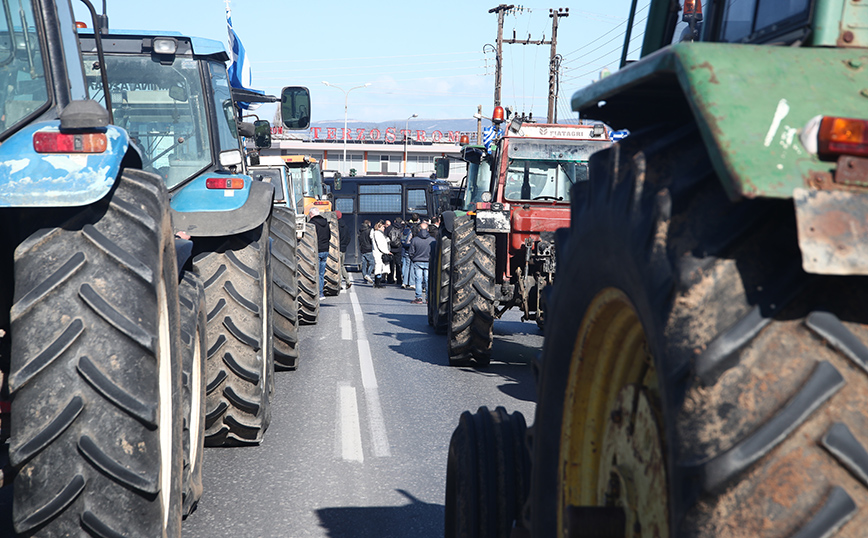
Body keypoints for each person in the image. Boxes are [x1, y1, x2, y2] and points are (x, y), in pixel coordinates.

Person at [408, 220, 435, 304]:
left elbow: (411, 252)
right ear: (428, 230)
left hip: (417, 261)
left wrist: (414, 259)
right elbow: (434, 252)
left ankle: (418, 298)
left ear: (419, 229)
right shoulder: (432, 240)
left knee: (418, 280)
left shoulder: (414, 240)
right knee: (427, 280)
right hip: (428, 262)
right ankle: (428, 298)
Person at [308, 207, 330, 299]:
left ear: (311, 214)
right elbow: (329, 236)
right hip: (325, 250)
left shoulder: (311, 224)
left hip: (316, 251)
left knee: (314, 273)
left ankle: (315, 292)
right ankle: (321, 293)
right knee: (321, 273)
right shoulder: (326, 223)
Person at [401, 213, 420, 290]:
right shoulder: (417, 227)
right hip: (413, 248)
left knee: (406, 265)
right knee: (412, 266)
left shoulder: (407, 226)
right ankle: (411, 283)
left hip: (406, 248)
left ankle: (404, 282)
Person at [371, 220, 391, 288]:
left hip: (379, 253)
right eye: (383, 227)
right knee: (378, 268)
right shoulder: (378, 234)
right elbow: (380, 245)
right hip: (379, 253)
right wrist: (387, 251)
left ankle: (377, 282)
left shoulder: (378, 233)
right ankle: (377, 283)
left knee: (379, 267)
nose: (384, 228)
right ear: (379, 227)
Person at [385, 217, 403, 284]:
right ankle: (399, 279)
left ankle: (390, 279)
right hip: (399, 248)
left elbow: (385, 237)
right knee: (398, 264)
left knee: (390, 265)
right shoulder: (402, 228)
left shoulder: (389, 228)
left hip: (390, 249)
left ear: (395, 221)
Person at [336, 210, 351, 289]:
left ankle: (339, 283)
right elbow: (348, 238)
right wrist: (344, 245)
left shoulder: (335, 226)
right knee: (342, 265)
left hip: (336, 249)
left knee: (337, 266)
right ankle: (347, 280)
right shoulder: (345, 226)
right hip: (343, 249)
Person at [358, 219, 374, 283]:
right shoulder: (369, 231)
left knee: (364, 265)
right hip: (369, 249)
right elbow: (371, 240)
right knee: (372, 263)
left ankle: (364, 278)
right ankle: (368, 275)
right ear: (368, 224)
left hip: (362, 249)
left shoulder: (360, 231)